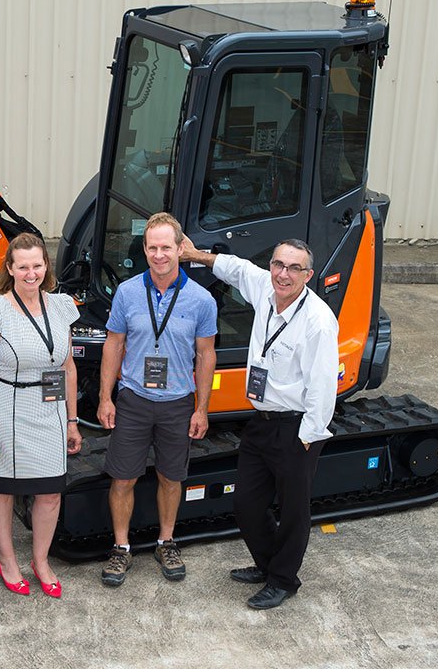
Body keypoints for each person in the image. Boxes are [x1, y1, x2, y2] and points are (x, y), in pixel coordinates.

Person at [179, 236, 338, 609]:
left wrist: (307, 438)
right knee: (247, 505)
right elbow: (234, 268)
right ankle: (269, 564)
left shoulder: (317, 322)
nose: (283, 274)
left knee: (294, 511)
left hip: (296, 427)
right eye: (278, 265)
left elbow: (323, 385)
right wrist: (192, 254)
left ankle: (282, 580)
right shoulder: (265, 288)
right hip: (261, 421)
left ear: (308, 275)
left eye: (294, 268)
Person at [98, 212, 217, 587]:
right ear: (145, 249)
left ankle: (166, 541)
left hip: (178, 402)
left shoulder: (201, 299)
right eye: (153, 247)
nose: (160, 254)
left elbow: (206, 355)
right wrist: (105, 398)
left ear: (181, 248)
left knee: (171, 476)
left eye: (167, 247)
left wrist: (202, 407)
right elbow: (114, 344)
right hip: (133, 397)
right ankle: (121, 548)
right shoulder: (128, 292)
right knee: (122, 478)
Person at [0, 233, 81, 598]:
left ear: (46, 266)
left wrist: (72, 420)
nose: (30, 273)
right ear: (10, 269)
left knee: (50, 491)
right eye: (23, 266)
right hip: (7, 408)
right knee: (3, 490)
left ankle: (41, 559)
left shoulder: (63, 306)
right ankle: (7, 559)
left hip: (49, 408)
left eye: (37, 265)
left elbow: (68, 367)